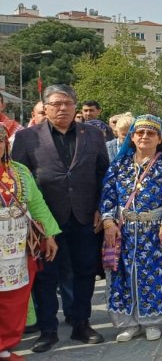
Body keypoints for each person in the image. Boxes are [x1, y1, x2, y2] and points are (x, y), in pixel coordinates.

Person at [12, 84, 109, 353]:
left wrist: (103, 208)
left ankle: (81, 323)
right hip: (45, 222)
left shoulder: (93, 135)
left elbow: (104, 174)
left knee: (85, 271)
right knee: (47, 276)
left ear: (75, 107)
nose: (62, 108)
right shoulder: (28, 138)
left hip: (85, 216)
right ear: (45, 107)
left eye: (67, 103)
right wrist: (31, 219)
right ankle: (48, 330)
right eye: (56, 104)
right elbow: (20, 178)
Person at [99, 115, 162, 342]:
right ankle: (128, 323)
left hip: (155, 231)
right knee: (122, 275)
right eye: (140, 133)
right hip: (123, 231)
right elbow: (108, 194)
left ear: (159, 138)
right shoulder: (120, 163)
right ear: (132, 137)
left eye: (150, 133)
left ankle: (152, 321)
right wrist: (108, 222)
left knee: (155, 274)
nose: (144, 137)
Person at [0, 125, 60, 361]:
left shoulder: (20, 171)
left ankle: (5, 345)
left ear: (6, 144)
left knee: (15, 297)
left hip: (17, 246)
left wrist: (49, 235)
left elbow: (37, 204)